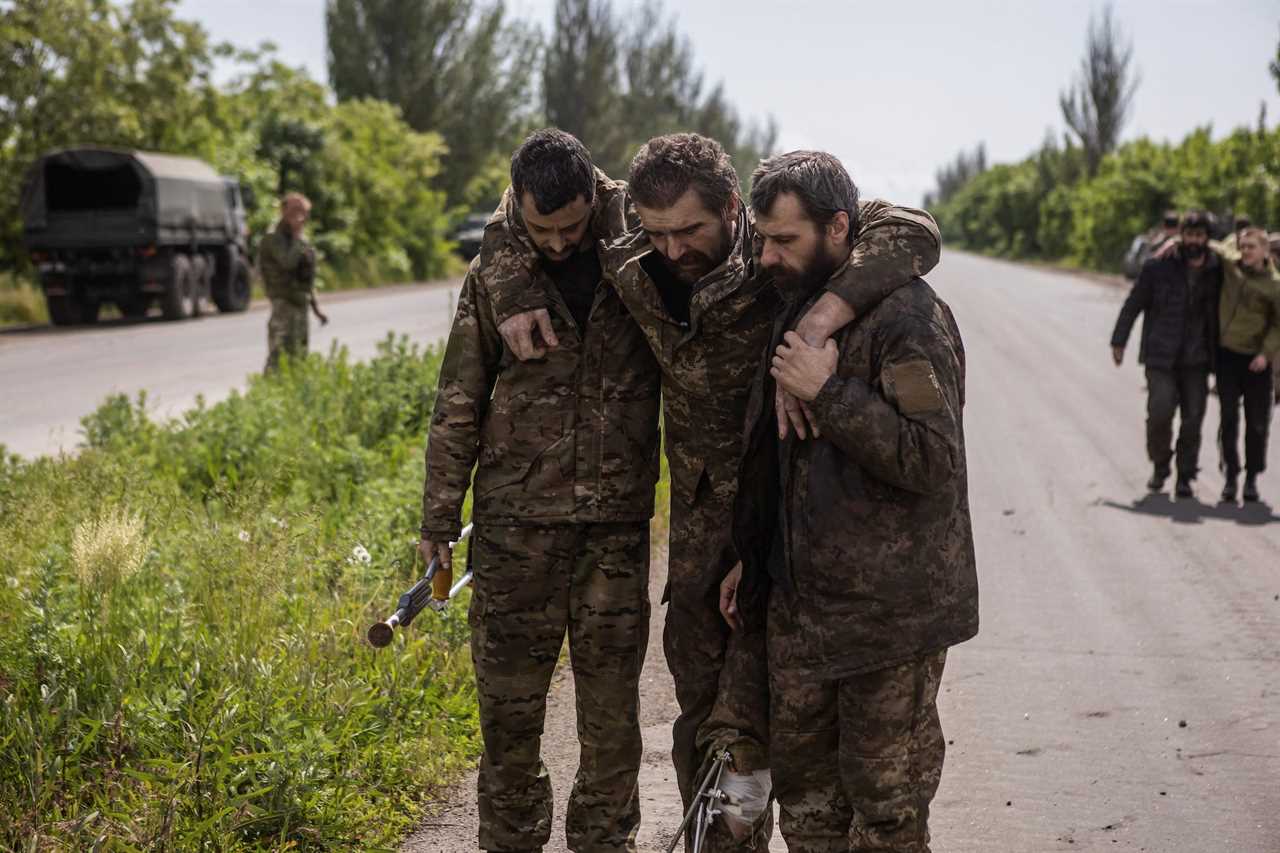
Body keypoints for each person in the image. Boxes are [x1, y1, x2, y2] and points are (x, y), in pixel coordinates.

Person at [487, 132, 941, 850]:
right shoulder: (628, 247)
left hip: (795, 529)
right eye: (657, 231)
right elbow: (527, 204)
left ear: (732, 209)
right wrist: (511, 282)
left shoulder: (775, 253)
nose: (672, 249)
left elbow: (912, 229)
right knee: (705, 723)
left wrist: (823, 316)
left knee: (790, 730)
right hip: (702, 538)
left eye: (691, 229)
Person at [724, 150, 978, 852]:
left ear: (839, 227)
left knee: (886, 812)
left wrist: (828, 393)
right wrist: (754, 555)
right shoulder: (793, 301)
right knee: (808, 811)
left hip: (888, 621)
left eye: (785, 241)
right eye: (763, 239)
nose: (767, 257)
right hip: (800, 614)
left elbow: (932, 459)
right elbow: (782, 462)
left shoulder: (907, 318)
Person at [418, 129, 661, 853]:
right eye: (540, 228)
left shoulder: (644, 247)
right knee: (509, 718)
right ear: (518, 209)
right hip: (514, 529)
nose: (558, 243)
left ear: (595, 192)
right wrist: (437, 515)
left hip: (613, 529)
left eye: (572, 226)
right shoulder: (496, 268)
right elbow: (458, 399)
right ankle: (512, 840)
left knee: (612, 719)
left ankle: (603, 841)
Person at [1110, 210, 1222, 498]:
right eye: (1189, 235)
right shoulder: (1157, 267)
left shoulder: (1217, 269)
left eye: (1200, 235)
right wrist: (1119, 340)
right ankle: (1160, 466)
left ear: (1207, 239)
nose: (1194, 241)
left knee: (1193, 419)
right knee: (1159, 413)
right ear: (1181, 236)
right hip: (1160, 356)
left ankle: (1185, 475)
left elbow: (1244, 253)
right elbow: (1133, 304)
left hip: (1197, 360)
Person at [1212, 226, 1280, 502]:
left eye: (1252, 247)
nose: (1246, 251)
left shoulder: (1275, 285)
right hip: (1228, 356)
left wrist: (1266, 354)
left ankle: (1252, 477)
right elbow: (1215, 245)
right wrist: (1174, 240)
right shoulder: (1232, 267)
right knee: (1228, 418)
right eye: (1243, 246)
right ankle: (1230, 474)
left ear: (1265, 251)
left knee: (1257, 424)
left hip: (1257, 362)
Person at [259, 192, 326, 372]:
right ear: (283, 211)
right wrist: (297, 237)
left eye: (303, 211)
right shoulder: (273, 238)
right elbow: (287, 263)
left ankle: (294, 395)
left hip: (300, 303)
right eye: (295, 210)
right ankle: (267, 394)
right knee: (279, 355)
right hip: (283, 302)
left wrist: (317, 309)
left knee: (299, 355)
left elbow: (308, 278)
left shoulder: (301, 240)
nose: (300, 215)